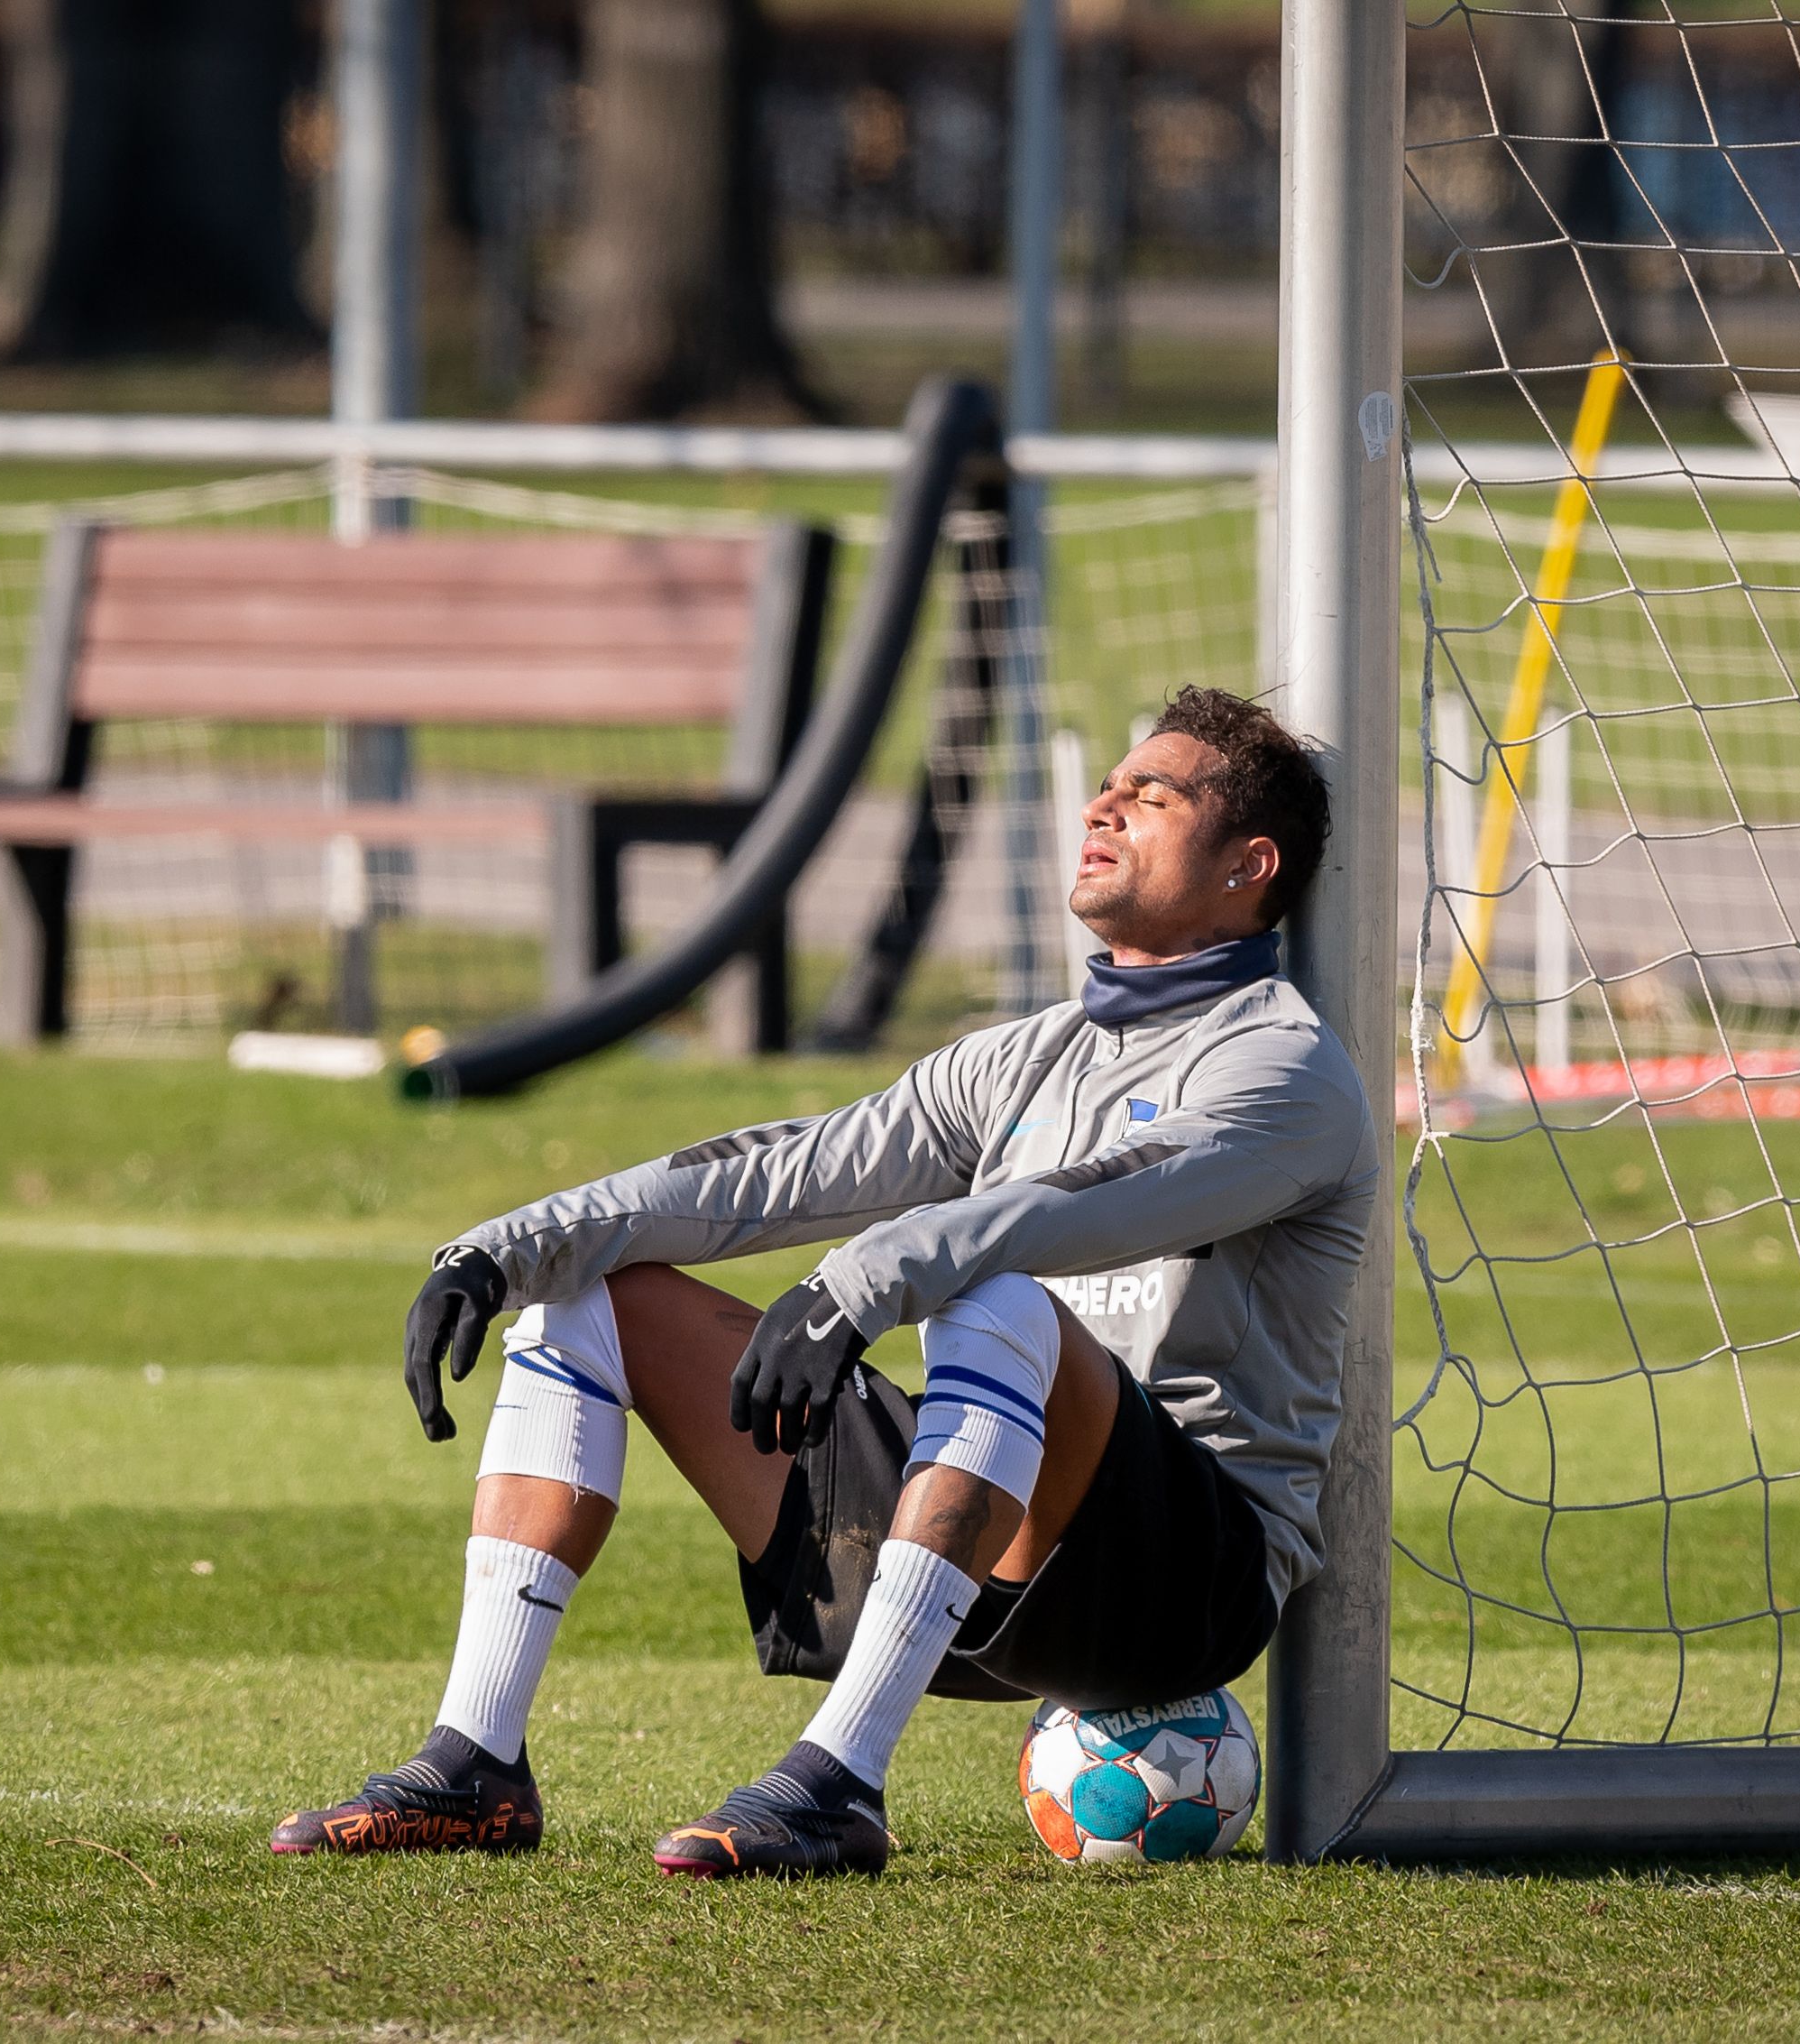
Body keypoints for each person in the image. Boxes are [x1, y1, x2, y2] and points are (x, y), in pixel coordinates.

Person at [269, 686, 1377, 1878]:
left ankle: (837, 1784)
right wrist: (501, 1244)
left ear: (1248, 866)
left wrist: (860, 1282)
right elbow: (782, 1169)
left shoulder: (1291, 1071)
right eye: (1108, 784)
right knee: (597, 1290)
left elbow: (1096, 1199)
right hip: (978, 1556)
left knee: (993, 1290)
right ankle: (475, 1763)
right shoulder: (1025, 1054)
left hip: (1180, 1586)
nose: (1104, 803)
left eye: (1151, 795)